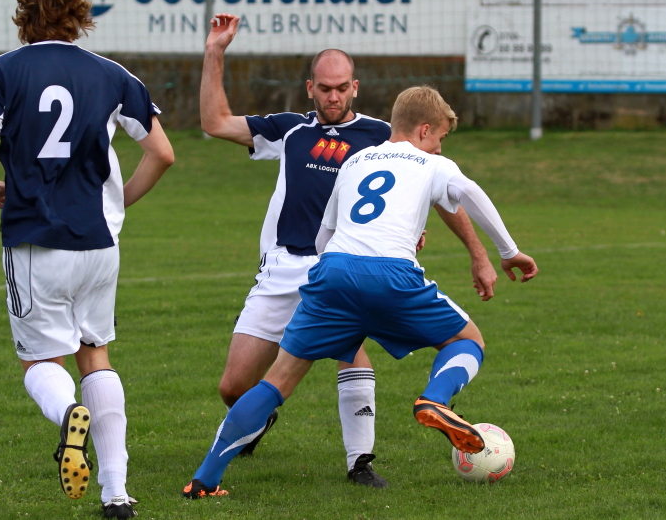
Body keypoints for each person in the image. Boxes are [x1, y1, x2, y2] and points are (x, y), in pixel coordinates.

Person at [182, 85, 538, 498]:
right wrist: (509, 252)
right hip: (392, 274)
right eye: (440, 137)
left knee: (276, 381)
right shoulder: (431, 162)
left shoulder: (355, 161)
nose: (440, 147)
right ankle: (435, 400)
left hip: (331, 273)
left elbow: (324, 236)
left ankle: (204, 480)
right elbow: (469, 192)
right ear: (424, 130)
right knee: (468, 341)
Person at [0, 0, 174, 517]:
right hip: (98, 244)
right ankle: (116, 494)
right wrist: (119, 202)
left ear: (23, 15)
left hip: (36, 242)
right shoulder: (113, 74)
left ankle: (68, 416)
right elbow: (162, 154)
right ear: (80, 16)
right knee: (95, 355)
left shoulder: (2, 70)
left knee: (39, 360)